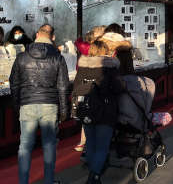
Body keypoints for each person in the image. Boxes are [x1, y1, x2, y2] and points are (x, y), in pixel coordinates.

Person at [9, 24, 70, 184]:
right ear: (53, 37)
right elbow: (63, 86)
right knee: (49, 145)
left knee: (25, 146)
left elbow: (14, 83)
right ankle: (48, 181)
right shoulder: (57, 57)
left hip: (27, 103)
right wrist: (64, 110)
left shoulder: (22, 56)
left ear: (37, 34)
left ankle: (23, 181)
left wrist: (16, 106)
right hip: (49, 104)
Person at [72, 40, 124, 184]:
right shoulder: (109, 67)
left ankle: (94, 175)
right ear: (104, 51)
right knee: (102, 147)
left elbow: (76, 87)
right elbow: (118, 88)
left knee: (90, 144)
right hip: (105, 111)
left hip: (86, 111)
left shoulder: (82, 67)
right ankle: (94, 176)